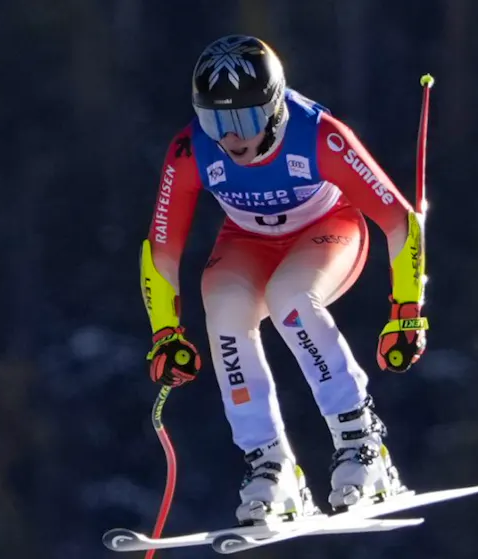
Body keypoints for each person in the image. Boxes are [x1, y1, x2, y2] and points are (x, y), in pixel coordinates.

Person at [138, 34, 429, 525]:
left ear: (274, 109)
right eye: (216, 121)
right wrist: (165, 332)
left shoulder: (319, 135)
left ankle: (363, 446)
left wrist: (407, 311)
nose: (231, 138)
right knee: (225, 309)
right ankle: (270, 467)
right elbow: (160, 250)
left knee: (292, 300)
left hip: (327, 230)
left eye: (245, 119)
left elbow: (400, 222)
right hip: (247, 241)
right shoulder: (190, 151)